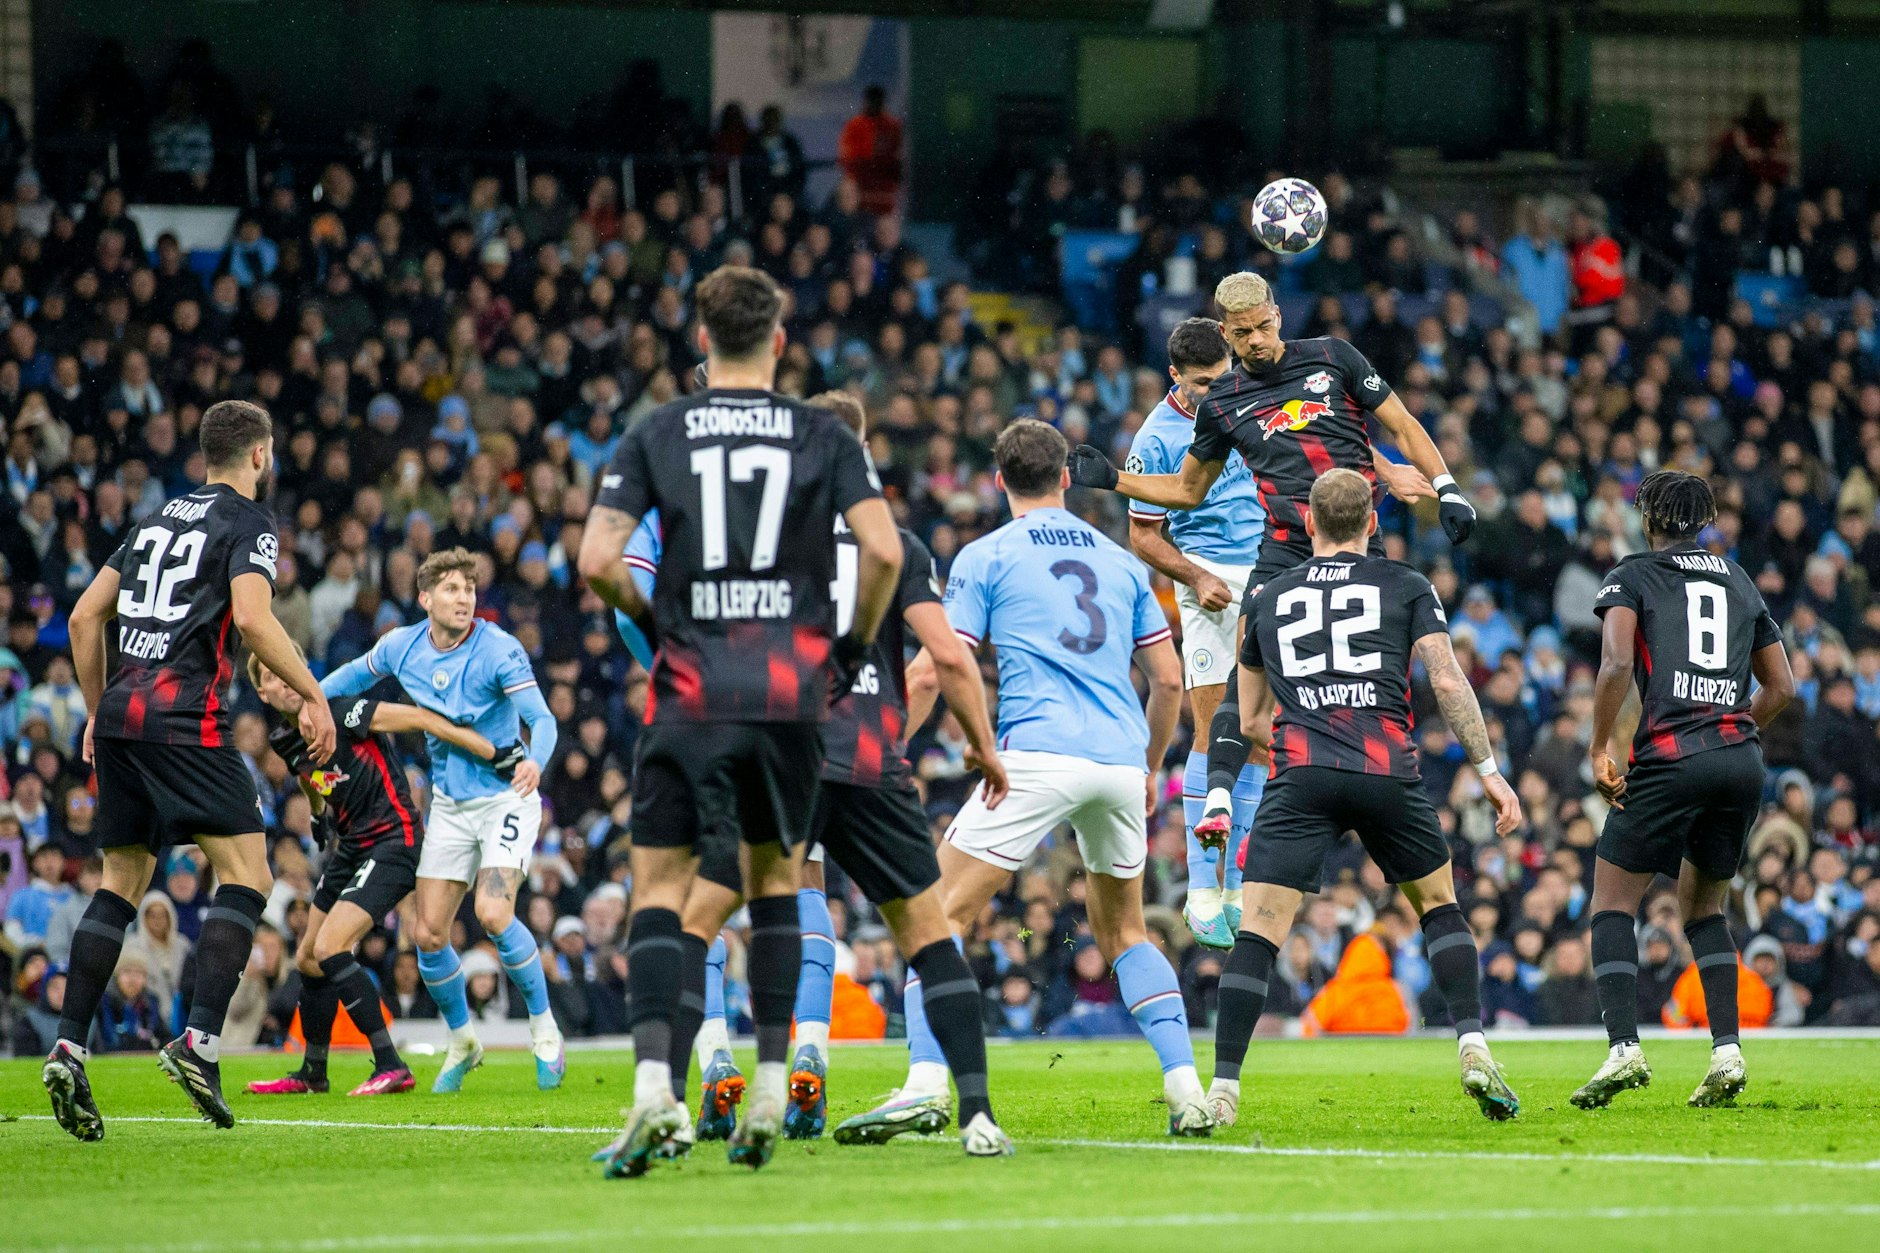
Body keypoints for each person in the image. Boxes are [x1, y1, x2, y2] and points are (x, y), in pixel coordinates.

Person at [603, 391, 1011, 1159]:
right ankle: (979, 1115)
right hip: (871, 761)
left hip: (779, 753)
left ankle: (678, 1095)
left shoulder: (765, 546)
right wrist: (982, 745)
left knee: (702, 921)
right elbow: (949, 656)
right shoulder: (900, 546)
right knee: (928, 934)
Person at [576, 265, 905, 1175]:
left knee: (662, 890)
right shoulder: (820, 435)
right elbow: (880, 549)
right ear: (781, 340)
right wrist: (848, 649)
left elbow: (600, 557)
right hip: (789, 699)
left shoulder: (657, 431)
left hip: (689, 691)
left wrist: (656, 628)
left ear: (701, 339)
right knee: (775, 887)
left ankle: (655, 1091)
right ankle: (769, 1086)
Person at [856, 418, 1214, 1138]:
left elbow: (937, 666)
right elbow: (1169, 679)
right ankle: (1188, 1089)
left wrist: (890, 744)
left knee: (937, 916)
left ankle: (925, 1082)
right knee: (1126, 932)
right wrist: (1147, 767)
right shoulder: (1120, 562)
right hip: (1117, 760)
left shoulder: (983, 556)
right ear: (1065, 478)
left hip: (1033, 753)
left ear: (998, 481)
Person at [1069, 271, 1460, 868]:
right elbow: (1180, 496)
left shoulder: (1330, 358)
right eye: (1243, 334)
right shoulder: (1212, 409)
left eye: (1263, 327)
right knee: (1231, 698)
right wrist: (1115, 479)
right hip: (1252, 559)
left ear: (1278, 314)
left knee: (1349, 689)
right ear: (1225, 335)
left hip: (1333, 547)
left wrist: (1438, 482)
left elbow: (1375, 426)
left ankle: (1353, 798)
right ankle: (1216, 842)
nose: (1255, 341)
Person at [46, 399, 338, 1139]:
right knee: (249, 876)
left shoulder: (150, 520)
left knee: (120, 883)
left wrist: (96, 708)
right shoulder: (248, 522)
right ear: (261, 455)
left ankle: (69, 1047)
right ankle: (200, 1042)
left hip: (120, 718)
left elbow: (86, 616)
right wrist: (312, 693)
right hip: (186, 718)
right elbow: (251, 616)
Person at [1210, 469, 1525, 1126]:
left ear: (1310, 526)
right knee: (1440, 907)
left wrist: (1305, 745)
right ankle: (1473, 1046)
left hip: (1301, 772)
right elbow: (1446, 678)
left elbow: (1244, 721)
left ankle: (1223, 1090)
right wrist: (1488, 768)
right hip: (1387, 769)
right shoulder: (1408, 584)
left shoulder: (1266, 595)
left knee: (1261, 930)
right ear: (1372, 524)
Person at [1573, 470, 1795, 1111]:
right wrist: (1727, 730)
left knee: (1613, 901)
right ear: (1704, 523)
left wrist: (1598, 747)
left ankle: (1623, 1048)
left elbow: (1615, 661)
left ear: (1648, 517)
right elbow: (1782, 688)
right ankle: (1727, 1049)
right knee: (1704, 909)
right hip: (1739, 761)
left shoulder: (1633, 573)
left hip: (1670, 757)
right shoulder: (1739, 579)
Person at [320, 547, 564, 1094]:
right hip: (451, 805)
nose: (464, 599)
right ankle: (463, 1042)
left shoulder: (498, 648)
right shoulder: (401, 646)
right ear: (425, 598)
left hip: (506, 796)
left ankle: (544, 1028)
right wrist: (306, 698)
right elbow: (349, 678)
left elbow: (542, 719)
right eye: (452, 590)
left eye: (470, 590)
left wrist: (535, 762)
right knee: (427, 933)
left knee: (494, 914)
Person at [246, 643, 508, 1097]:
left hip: (393, 840)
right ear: (263, 693)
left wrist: (490, 750)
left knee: (331, 948)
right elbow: (313, 778)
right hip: (350, 846)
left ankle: (391, 1064)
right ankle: (313, 1072)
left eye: (287, 667)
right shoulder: (285, 740)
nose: (283, 678)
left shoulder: (344, 712)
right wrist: (315, 814)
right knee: (308, 957)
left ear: (303, 669)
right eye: (270, 674)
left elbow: (422, 719)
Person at [1120, 317, 1266, 950]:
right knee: (1213, 729)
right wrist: (1196, 576)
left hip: (1269, 569)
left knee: (1259, 732)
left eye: (1223, 377)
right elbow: (1143, 534)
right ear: (1175, 375)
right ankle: (1203, 890)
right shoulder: (1155, 438)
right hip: (1208, 576)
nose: (1216, 391)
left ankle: (1239, 887)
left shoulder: (1249, 399)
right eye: (1203, 383)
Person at [837, 85, 903, 218]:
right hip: (860, 192)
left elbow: (898, 159)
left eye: (878, 101)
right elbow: (847, 160)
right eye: (871, 101)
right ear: (865, 101)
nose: (874, 105)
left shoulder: (892, 126)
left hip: (885, 192)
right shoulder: (854, 125)